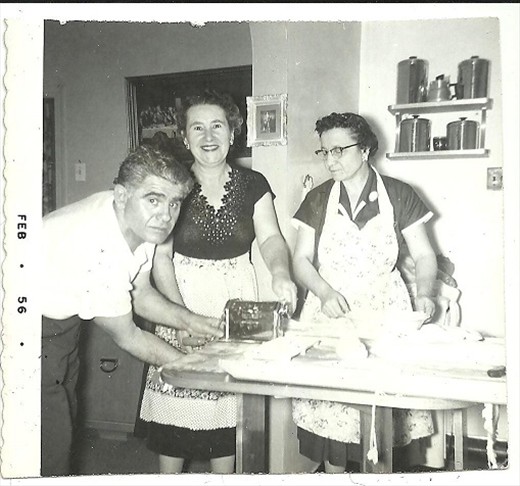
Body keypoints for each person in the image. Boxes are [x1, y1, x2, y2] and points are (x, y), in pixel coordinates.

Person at [139, 90, 297, 474]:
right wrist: (180, 318)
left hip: (234, 298)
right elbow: (162, 256)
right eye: (197, 127)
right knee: (176, 419)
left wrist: (280, 272)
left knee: (227, 419)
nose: (208, 136)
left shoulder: (254, 183)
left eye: (217, 126)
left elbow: (271, 238)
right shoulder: (172, 185)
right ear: (185, 136)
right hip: (182, 294)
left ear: (232, 132)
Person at [41, 145, 223, 477]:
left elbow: (140, 294)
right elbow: (128, 335)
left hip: (61, 325)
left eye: (174, 203)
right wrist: (188, 365)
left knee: (62, 423)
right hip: (24, 327)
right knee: (47, 446)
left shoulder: (143, 225)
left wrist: (193, 320)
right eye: (153, 200)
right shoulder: (99, 244)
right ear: (122, 195)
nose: (165, 215)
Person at [290, 112, 438, 473]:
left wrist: (426, 292)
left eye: (339, 150)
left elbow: (424, 254)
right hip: (331, 310)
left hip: (384, 309)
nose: (331, 160)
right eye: (324, 152)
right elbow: (301, 260)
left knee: (381, 417)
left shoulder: (400, 195)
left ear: (367, 149)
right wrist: (323, 292)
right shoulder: (318, 198)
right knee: (333, 420)